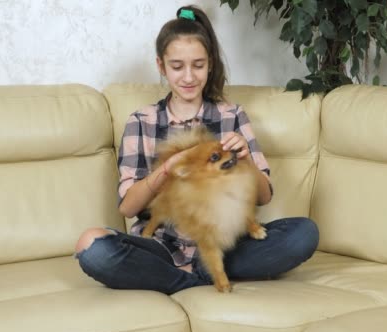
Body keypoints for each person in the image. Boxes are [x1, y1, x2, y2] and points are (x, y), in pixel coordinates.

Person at [74, 5, 319, 295]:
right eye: (177, 67)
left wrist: (245, 160)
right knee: (91, 246)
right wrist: (167, 170)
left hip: (225, 243)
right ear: (161, 66)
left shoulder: (232, 116)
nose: (188, 77)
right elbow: (128, 207)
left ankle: (187, 276)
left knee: (304, 233)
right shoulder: (142, 122)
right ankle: (191, 279)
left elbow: (264, 196)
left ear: (211, 63)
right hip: (161, 248)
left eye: (198, 65)